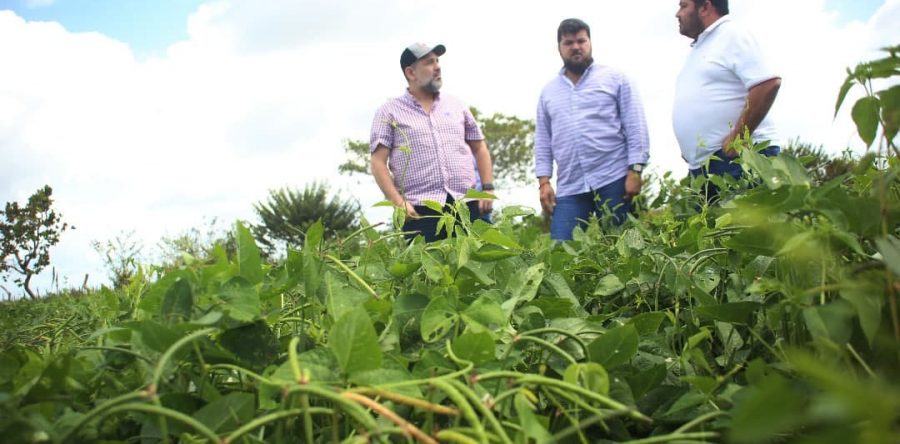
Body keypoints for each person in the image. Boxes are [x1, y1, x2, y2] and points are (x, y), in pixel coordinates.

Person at [535, 18, 650, 241]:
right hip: (571, 186)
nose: (576, 47)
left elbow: (635, 126)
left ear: (590, 42)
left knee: (627, 250)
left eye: (581, 40)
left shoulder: (615, 79)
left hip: (615, 178)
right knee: (561, 251)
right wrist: (544, 182)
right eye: (568, 42)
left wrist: (635, 170)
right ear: (559, 47)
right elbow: (543, 140)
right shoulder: (548, 92)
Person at [370, 42, 495, 242]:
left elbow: (479, 147)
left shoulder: (456, 105)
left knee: (477, 266)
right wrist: (398, 202)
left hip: (467, 204)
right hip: (420, 212)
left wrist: (487, 188)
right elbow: (377, 162)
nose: (437, 67)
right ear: (411, 73)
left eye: (437, 61)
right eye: (429, 63)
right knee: (428, 271)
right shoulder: (389, 111)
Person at [673, 0, 781, 203]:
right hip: (706, 166)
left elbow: (767, 83)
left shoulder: (731, 35)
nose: (677, 14)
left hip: (738, 159)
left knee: (751, 231)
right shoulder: (700, 47)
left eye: (684, 6)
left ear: (705, 7)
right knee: (716, 234)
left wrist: (737, 137)